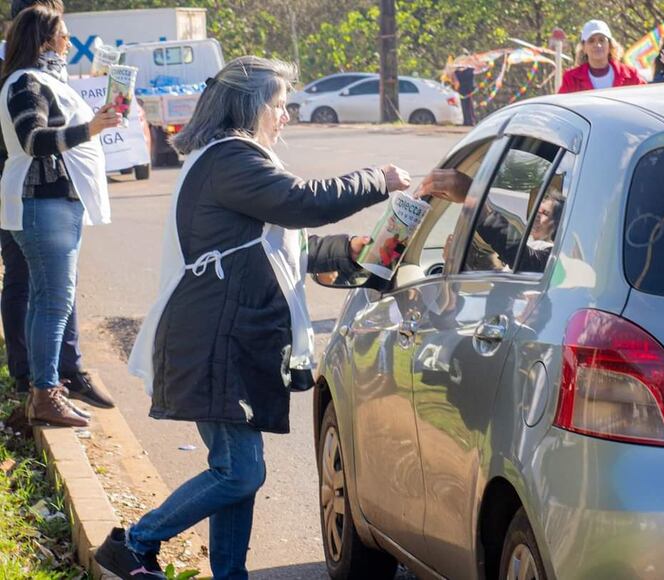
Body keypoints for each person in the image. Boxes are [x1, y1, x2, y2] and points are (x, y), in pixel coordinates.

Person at [93, 56, 410, 579]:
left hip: (229, 338)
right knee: (241, 472)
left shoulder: (235, 160)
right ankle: (137, 542)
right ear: (251, 105)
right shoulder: (230, 159)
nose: (285, 117)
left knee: (235, 471)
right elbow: (300, 203)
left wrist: (348, 250)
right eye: (280, 105)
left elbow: (288, 246)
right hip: (215, 339)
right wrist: (378, 178)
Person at [0, 6, 121, 427]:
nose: (69, 44)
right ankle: (46, 394)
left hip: (53, 205)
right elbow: (32, 139)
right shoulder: (25, 83)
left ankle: (43, 391)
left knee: (46, 302)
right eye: (64, 37)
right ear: (44, 41)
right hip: (41, 204)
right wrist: (90, 129)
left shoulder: (41, 80)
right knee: (52, 303)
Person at [419, 168, 564, 271]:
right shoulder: (528, 242)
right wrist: (453, 261)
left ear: (557, 223)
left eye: (545, 213)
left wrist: (474, 198)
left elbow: (522, 257)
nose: (537, 215)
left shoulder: (555, 256)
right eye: (536, 210)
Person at [559, 19, 646, 93]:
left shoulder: (630, 75)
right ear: (584, 48)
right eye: (591, 41)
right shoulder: (571, 79)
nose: (597, 45)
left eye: (602, 40)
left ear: (610, 46)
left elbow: (645, 99)